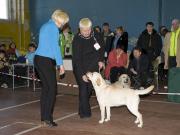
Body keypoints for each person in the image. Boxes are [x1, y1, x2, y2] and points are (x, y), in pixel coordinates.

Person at [34, 10, 69, 127]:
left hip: (38, 59)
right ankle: (48, 118)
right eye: (63, 22)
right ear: (59, 19)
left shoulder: (45, 25)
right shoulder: (53, 28)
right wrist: (61, 64)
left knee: (46, 89)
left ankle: (44, 117)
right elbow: (55, 47)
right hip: (45, 60)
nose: (63, 24)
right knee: (52, 89)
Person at [72, 18, 104, 119]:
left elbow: (101, 48)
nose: (86, 32)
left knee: (89, 89)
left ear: (91, 28)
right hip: (80, 66)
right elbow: (77, 59)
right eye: (84, 30)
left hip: (93, 65)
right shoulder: (77, 39)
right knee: (83, 88)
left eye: (88, 30)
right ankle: (85, 113)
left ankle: (81, 108)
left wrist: (101, 60)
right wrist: (82, 74)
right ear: (79, 29)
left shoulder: (96, 36)